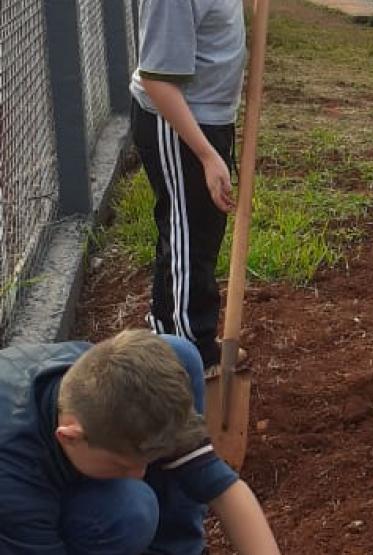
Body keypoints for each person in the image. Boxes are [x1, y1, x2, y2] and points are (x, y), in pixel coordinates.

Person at [0, 330, 280, 554]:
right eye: (122, 465)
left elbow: (224, 489)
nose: (141, 474)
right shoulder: (14, 482)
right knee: (128, 510)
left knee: (177, 351)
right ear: (69, 436)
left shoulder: (110, 389)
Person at [130, 0, 246, 371]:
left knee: (192, 232)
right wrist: (207, 156)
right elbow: (157, 79)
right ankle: (190, 353)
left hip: (208, 117)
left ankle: (165, 332)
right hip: (178, 125)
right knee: (189, 240)